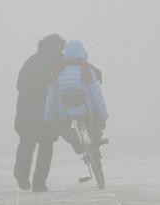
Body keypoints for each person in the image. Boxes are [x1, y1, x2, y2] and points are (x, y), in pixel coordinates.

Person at [13, 34, 65, 192]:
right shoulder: (59, 63)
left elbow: (19, 84)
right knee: (46, 147)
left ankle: (21, 172)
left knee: (27, 143)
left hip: (26, 109)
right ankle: (39, 183)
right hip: (47, 111)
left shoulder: (31, 61)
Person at [44, 40, 108, 155]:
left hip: (66, 114)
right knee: (95, 124)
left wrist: (48, 118)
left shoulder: (57, 72)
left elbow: (51, 99)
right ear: (83, 54)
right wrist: (103, 116)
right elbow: (96, 96)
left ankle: (74, 140)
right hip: (87, 111)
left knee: (61, 126)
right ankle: (95, 141)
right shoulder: (87, 70)